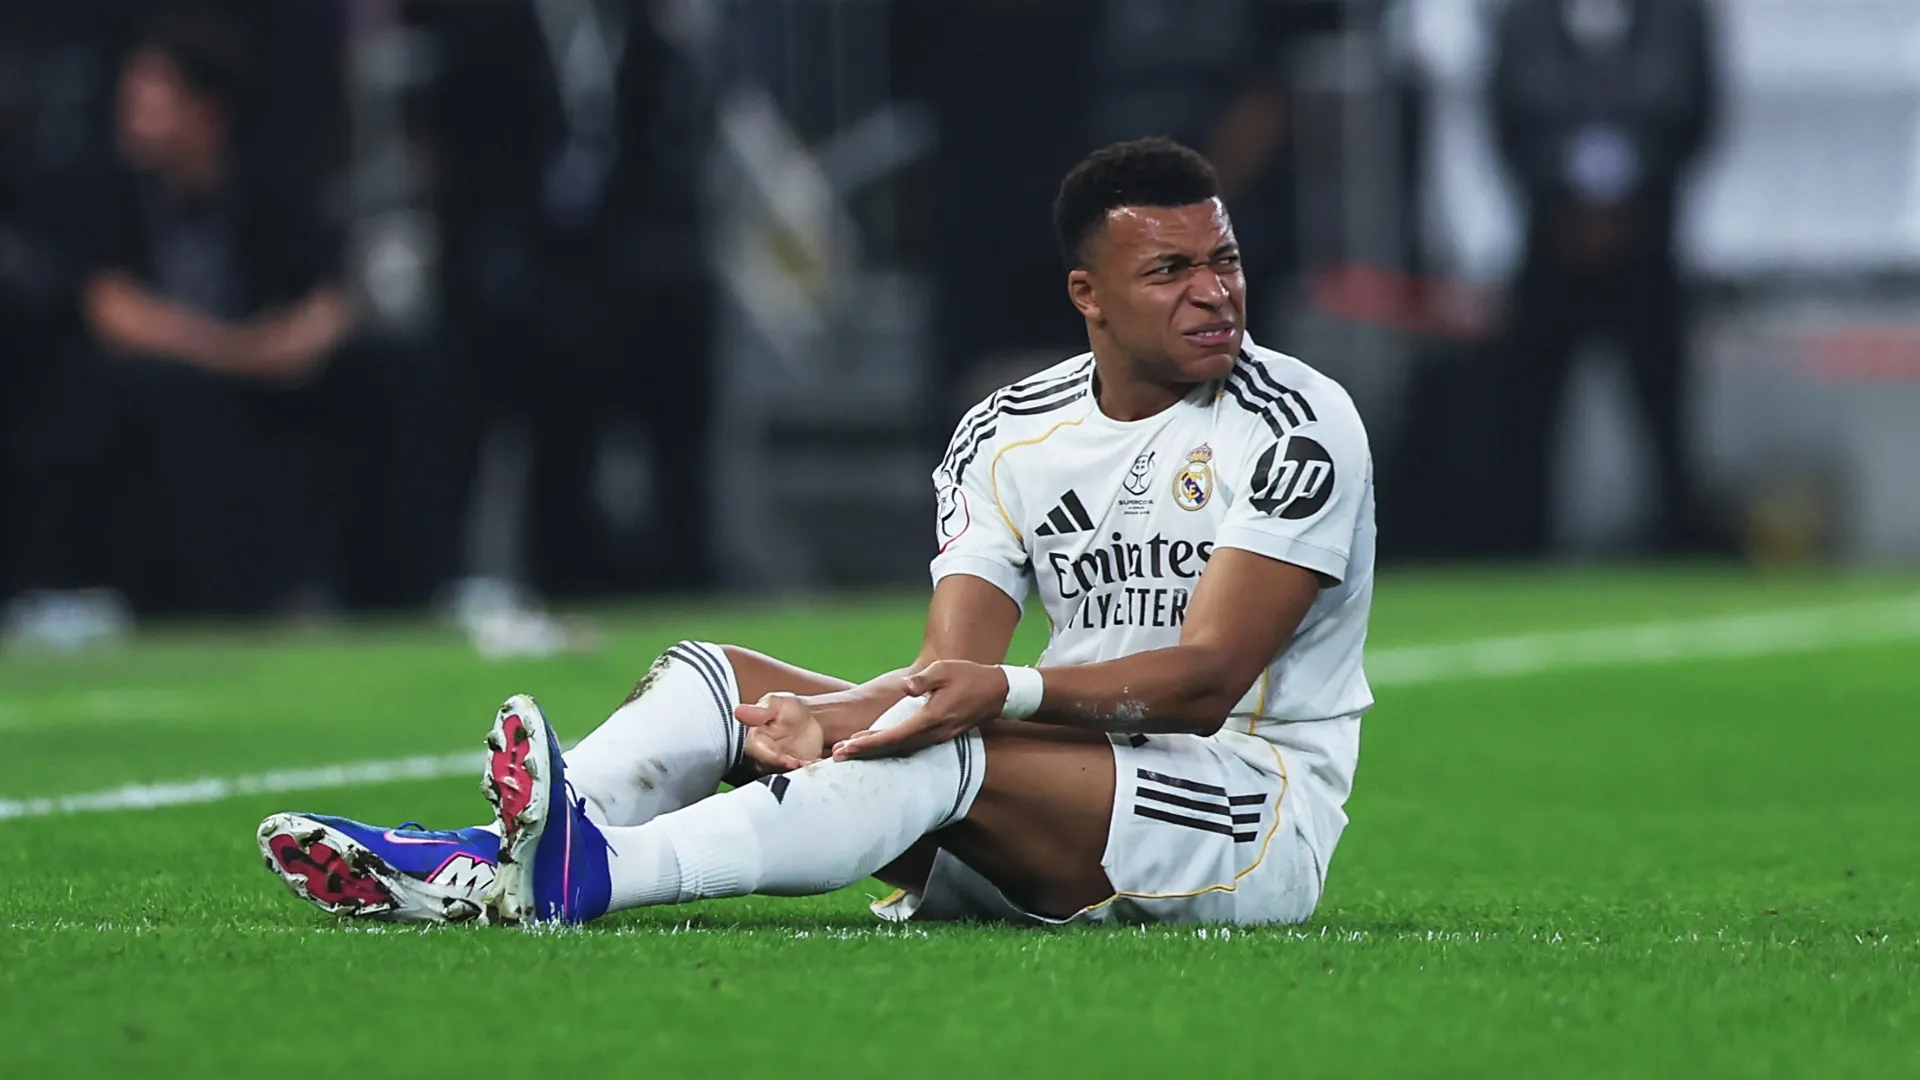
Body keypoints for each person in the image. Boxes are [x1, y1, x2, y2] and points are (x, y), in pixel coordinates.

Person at [258, 138, 1376, 927]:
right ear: (1088, 293)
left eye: (1223, 261)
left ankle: (588, 875)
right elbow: (957, 671)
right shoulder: (1008, 429)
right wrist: (836, 717)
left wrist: (985, 701)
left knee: (943, 748)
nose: (1214, 293)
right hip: (1054, 786)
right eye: (1170, 270)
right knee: (722, 678)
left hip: (1241, 813)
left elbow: (1206, 680)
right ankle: (487, 858)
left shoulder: (1298, 421)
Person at [22, 4, 451, 615]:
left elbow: (333, 291)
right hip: (155, 383)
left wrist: (301, 339)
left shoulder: (261, 184)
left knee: (409, 372)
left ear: (207, 114)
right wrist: (235, 353)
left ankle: (420, 594)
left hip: (258, 375)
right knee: (178, 397)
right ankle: (266, 595)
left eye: (152, 100)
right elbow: (111, 310)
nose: (133, 115)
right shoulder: (103, 186)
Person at [1489, 0, 1720, 555]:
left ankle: (1674, 545)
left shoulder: (1679, 18)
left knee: (1662, 416)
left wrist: (1635, 208)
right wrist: (1561, 208)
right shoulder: (1522, 21)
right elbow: (1503, 126)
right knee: (1531, 416)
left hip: (1648, 246)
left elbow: (1701, 119)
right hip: (1551, 247)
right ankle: (1522, 548)